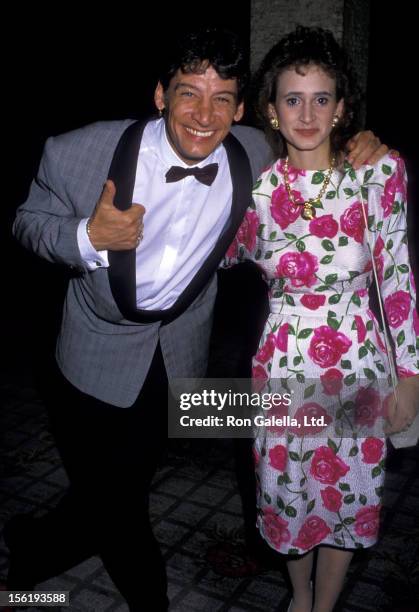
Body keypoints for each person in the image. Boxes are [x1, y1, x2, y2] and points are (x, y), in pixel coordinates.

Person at [7, 26, 388, 611]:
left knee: (114, 487)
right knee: (119, 504)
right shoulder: (78, 151)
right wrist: (85, 236)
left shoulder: (253, 154)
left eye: (220, 100)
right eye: (188, 93)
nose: (203, 115)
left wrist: (362, 143)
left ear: (240, 110)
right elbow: (27, 221)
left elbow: (311, 148)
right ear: (160, 95)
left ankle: (35, 548)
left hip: (178, 355)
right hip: (91, 351)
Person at [223, 25, 419, 612]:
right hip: (283, 364)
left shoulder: (378, 175)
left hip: (360, 362)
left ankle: (324, 605)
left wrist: (411, 375)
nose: (306, 113)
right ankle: (298, 596)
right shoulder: (253, 190)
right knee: (288, 495)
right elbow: (216, 254)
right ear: (270, 111)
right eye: (292, 98)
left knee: (347, 491)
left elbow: (399, 279)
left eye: (321, 98)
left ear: (340, 109)